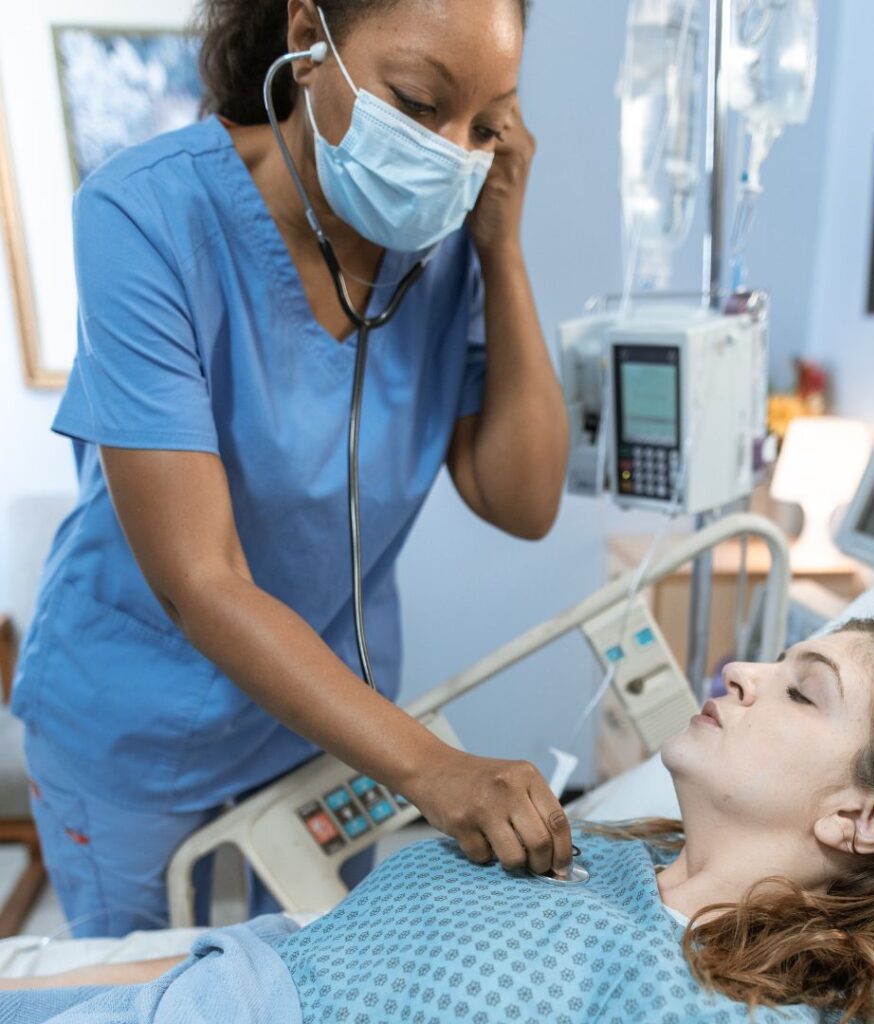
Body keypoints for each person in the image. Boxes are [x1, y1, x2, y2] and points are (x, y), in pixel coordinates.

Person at [11, 0, 574, 938]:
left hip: (325, 729)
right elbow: (201, 578)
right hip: (136, 733)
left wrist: (501, 251)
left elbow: (524, 500)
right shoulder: (145, 214)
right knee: (152, 997)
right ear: (308, 37)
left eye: (487, 125)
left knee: (299, 981)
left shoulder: (443, 255)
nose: (450, 151)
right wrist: (432, 767)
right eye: (417, 102)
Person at [5, 610, 874, 1024]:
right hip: (208, 980)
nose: (743, 671)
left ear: (862, 816)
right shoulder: (611, 859)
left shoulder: (723, 1002)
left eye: (803, 690)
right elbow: (315, 950)